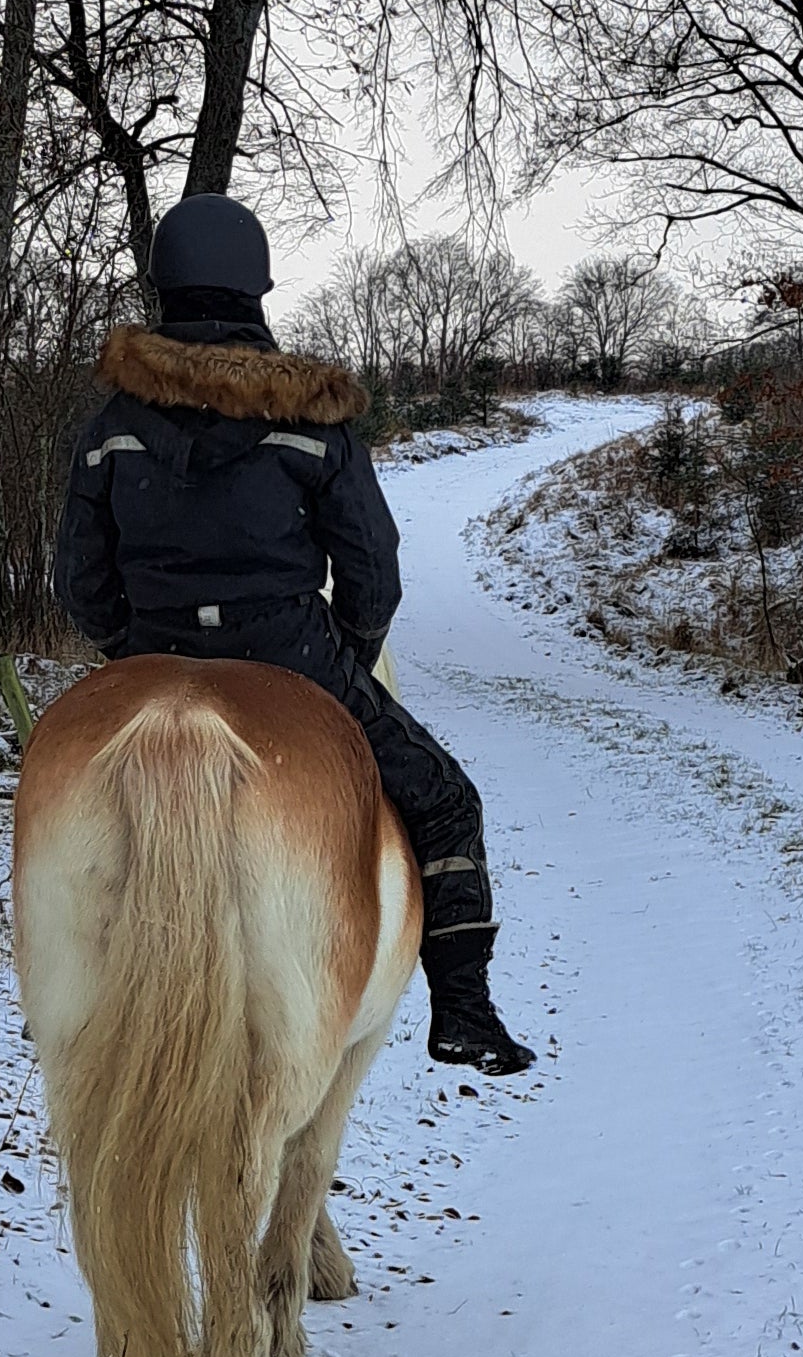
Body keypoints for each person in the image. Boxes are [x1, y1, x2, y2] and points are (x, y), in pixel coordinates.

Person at [51, 192, 536, 1074]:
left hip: (153, 653)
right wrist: (344, 657)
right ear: (256, 288)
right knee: (445, 800)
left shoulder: (111, 427)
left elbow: (80, 581)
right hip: (291, 653)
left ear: (165, 288)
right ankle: (464, 1011)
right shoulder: (313, 420)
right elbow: (372, 568)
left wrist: (134, 651)